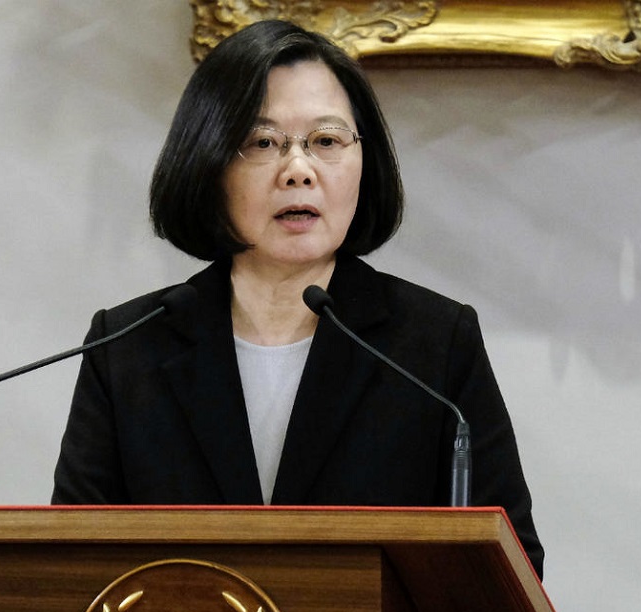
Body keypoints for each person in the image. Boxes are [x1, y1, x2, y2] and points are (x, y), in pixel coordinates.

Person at [51, 20, 544, 577]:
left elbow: (513, 569)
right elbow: (69, 567)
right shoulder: (127, 349)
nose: (299, 171)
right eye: (263, 143)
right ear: (209, 162)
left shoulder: (434, 345)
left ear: (364, 161)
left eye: (327, 141)